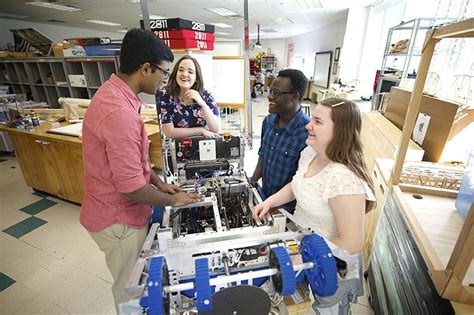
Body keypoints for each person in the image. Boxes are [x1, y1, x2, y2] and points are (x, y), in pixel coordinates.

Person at [80, 29, 203, 312]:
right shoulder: (119, 113)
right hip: (117, 219)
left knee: (137, 279)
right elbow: (131, 187)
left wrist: (160, 185)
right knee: (130, 289)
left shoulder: (116, 96)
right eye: (162, 72)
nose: (164, 78)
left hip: (115, 209)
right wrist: (175, 200)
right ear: (145, 68)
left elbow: (136, 163)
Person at [253, 98, 376, 314]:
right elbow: (298, 184)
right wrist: (269, 201)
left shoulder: (343, 179)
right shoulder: (310, 153)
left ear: (340, 132)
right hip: (305, 247)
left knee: (326, 307)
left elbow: (352, 243)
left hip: (332, 264)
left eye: (318, 122)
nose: (308, 125)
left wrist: (304, 255)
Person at [250, 69, 310, 213]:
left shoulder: (308, 133)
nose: (269, 96)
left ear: (294, 97)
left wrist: (278, 206)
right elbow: (263, 155)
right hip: (265, 198)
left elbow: (304, 181)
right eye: (270, 90)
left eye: (275, 93)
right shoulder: (268, 121)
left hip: (289, 209)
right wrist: (252, 181)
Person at [156, 55, 220, 138]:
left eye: (190, 72)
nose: (185, 74)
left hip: (203, 147)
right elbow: (169, 132)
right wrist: (201, 130)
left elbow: (216, 129)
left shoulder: (206, 95)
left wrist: (202, 104)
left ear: (196, 77)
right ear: (176, 73)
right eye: (181, 70)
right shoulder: (165, 95)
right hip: (177, 147)